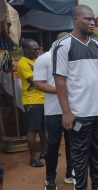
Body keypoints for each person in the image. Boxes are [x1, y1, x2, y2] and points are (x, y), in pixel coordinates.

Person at [53, 5, 98, 190]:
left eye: (94, 19)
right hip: (79, 113)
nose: (93, 22)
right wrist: (66, 112)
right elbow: (60, 81)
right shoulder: (63, 46)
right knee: (79, 154)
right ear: (75, 20)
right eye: (88, 19)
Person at [33, 32, 75, 190]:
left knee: (72, 144)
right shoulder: (44, 58)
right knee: (53, 145)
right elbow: (38, 84)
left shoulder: (70, 59)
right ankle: (50, 177)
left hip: (72, 110)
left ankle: (70, 173)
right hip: (53, 112)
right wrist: (61, 91)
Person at [17, 39, 46, 167]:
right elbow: (34, 81)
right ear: (26, 50)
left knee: (43, 128)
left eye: (38, 48)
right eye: (34, 49)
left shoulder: (35, 61)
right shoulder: (23, 63)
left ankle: (45, 152)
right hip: (31, 101)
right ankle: (33, 158)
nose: (37, 51)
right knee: (33, 129)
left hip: (42, 99)